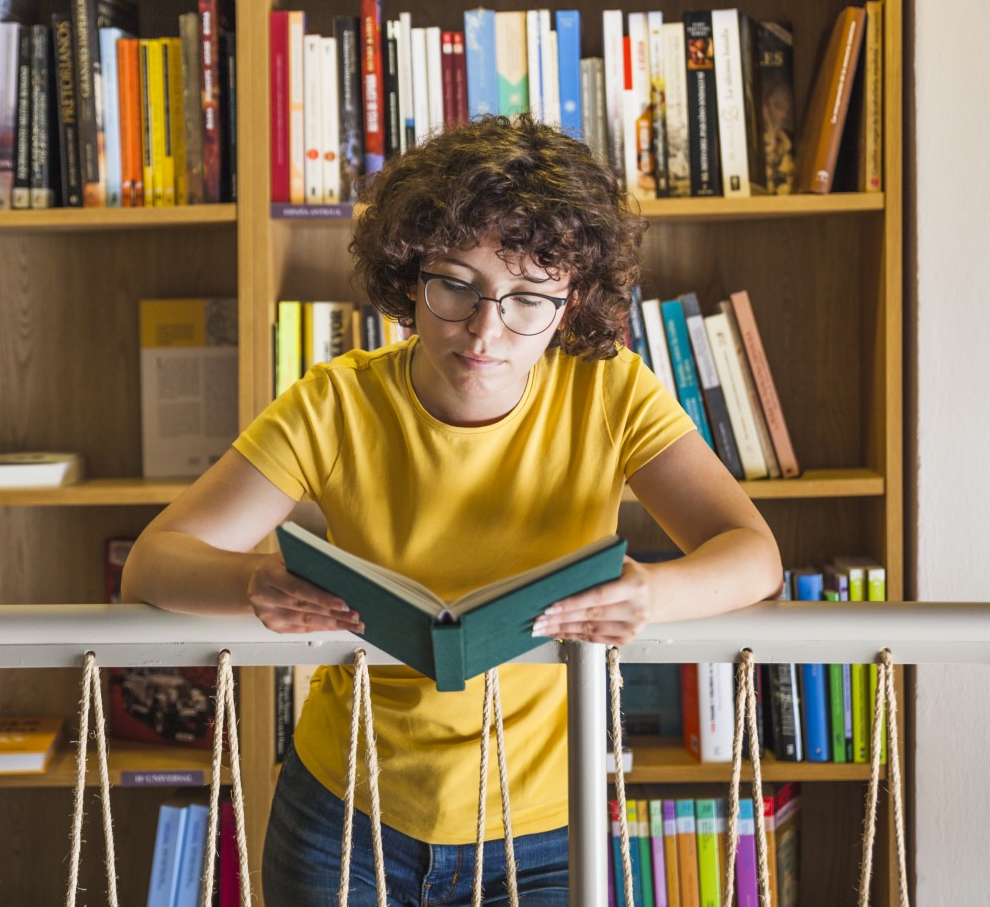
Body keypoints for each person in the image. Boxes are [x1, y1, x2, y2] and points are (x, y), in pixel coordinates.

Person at [121, 115, 783, 905]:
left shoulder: (610, 388)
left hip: (546, 822)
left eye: (527, 299)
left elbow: (753, 553)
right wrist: (256, 583)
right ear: (409, 275)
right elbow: (153, 565)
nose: (485, 329)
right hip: (343, 812)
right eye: (456, 285)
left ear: (570, 305)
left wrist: (652, 594)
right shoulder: (335, 403)